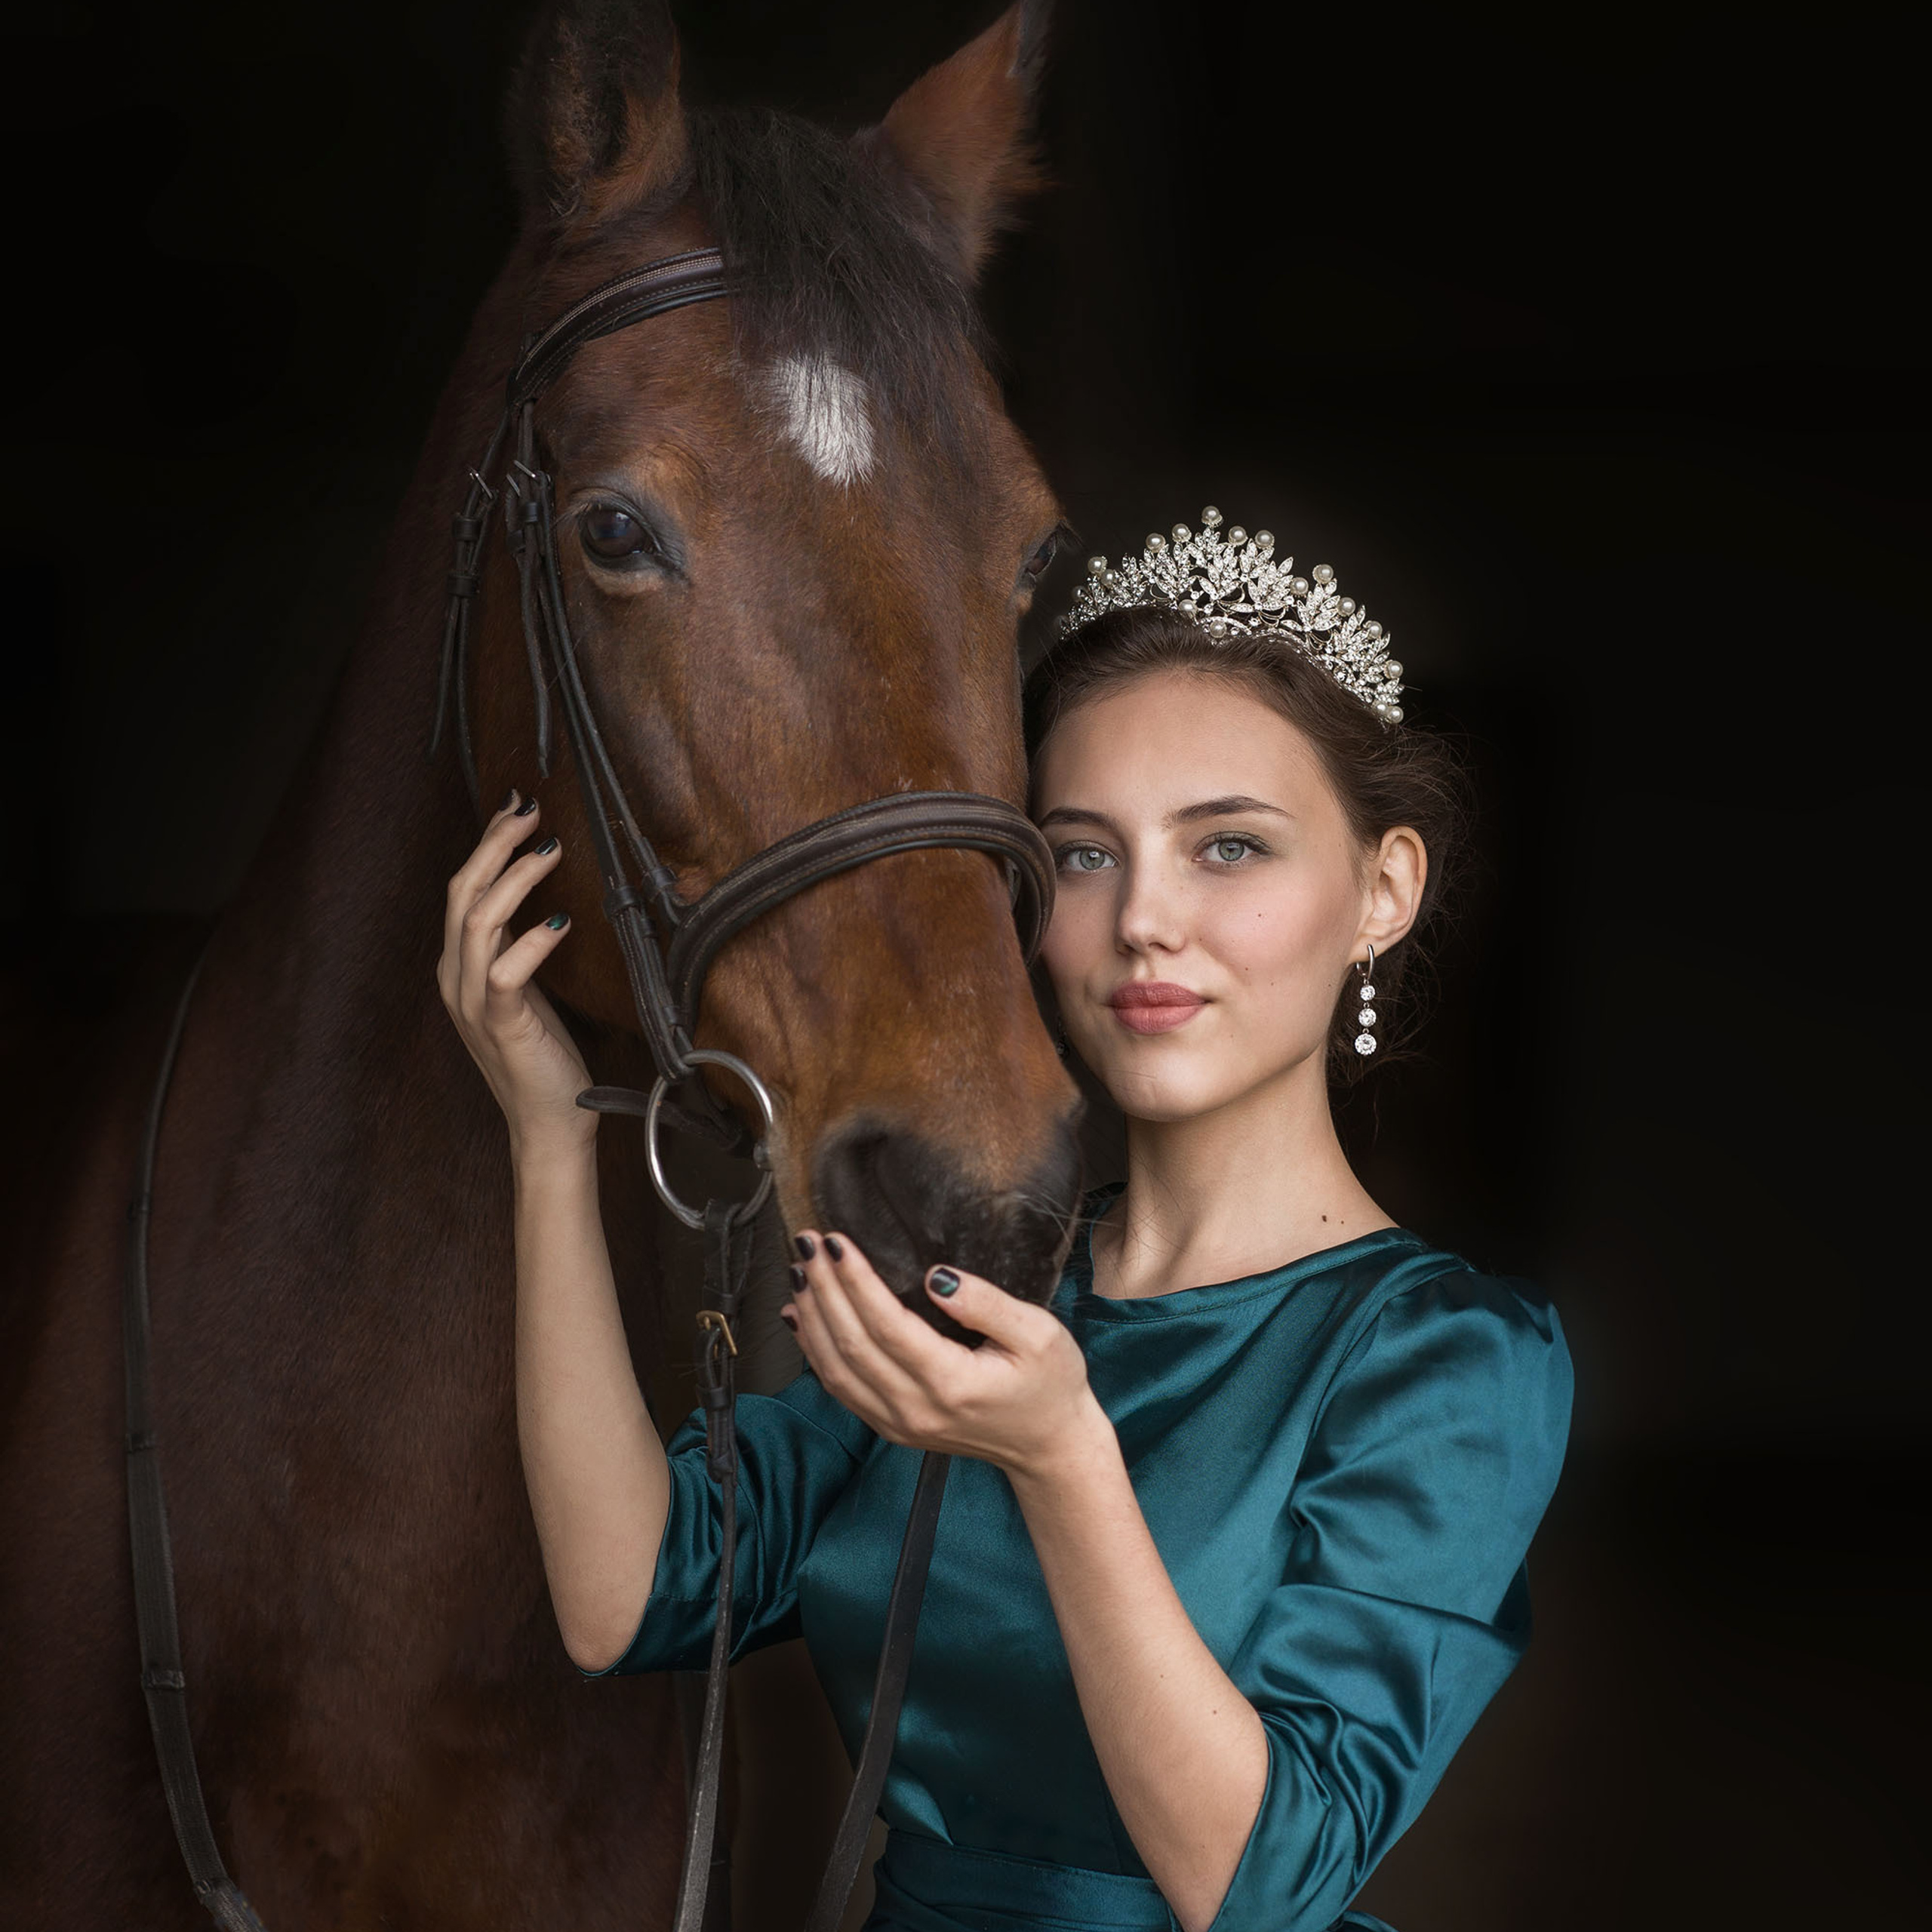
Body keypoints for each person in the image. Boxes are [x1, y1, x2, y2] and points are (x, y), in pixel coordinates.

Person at [438, 506, 1574, 1932]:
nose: (1145, 918)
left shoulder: (1448, 1365)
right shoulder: (966, 1292)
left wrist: (1060, 1456)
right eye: (1085, 855)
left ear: (1383, 891)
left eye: (1228, 848)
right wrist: (548, 1141)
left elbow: (1264, 1881)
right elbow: (628, 1592)